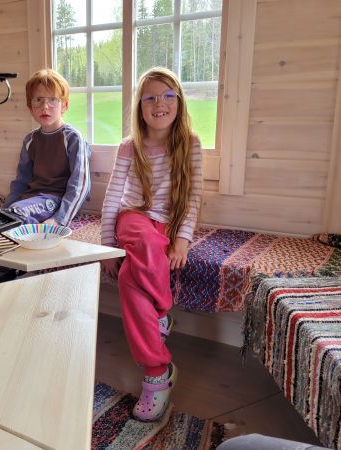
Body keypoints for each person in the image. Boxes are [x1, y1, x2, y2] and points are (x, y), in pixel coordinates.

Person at [100, 67, 202, 422]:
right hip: (133, 218)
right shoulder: (130, 147)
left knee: (130, 279)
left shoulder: (190, 144)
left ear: (179, 102)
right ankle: (161, 325)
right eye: (151, 97)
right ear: (140, 107)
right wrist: (108, 244)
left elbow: (192, 198)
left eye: (168, 96)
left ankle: (157, 372)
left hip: (166, 225)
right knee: (141, 241)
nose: (160, 103)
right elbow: (113, 197)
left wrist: (183, 239)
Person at [3, 68, 91, 226]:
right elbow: (21, 182)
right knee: (5, 216)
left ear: (64, 106)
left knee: (16, 214)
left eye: (52, 100)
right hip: (30, 200)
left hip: (55, 201)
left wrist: (59, 219)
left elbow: (80, 185)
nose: (45, 107)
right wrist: (4, 210)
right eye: (38, 100)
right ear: (31, 108)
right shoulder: (29, 140)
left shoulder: (72, 138)